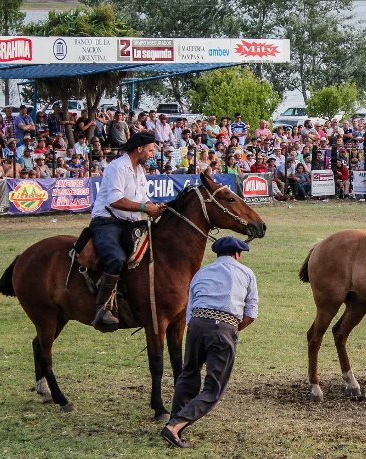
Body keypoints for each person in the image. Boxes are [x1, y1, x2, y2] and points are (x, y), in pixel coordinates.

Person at [160, 236, 258, 449]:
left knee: (188, 375)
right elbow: (251, 313)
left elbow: (190, 307)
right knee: (213, 388)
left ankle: (174, 424)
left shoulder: (201, 273)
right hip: (223, 329)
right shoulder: (246, 273)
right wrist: (231, 329)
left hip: (196, 325)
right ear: (237, 254)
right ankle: (175, 426)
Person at [89, 131, 165, 331]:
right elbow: (115, 200)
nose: (152, 154)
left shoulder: (139, 170)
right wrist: (144, 208)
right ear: (139, 149)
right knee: (116, 259)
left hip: (130, 223)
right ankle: (102, 308)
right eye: (150, 150)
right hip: (107, 222)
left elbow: (143, 197)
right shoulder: (117, 167)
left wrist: (154, 207)